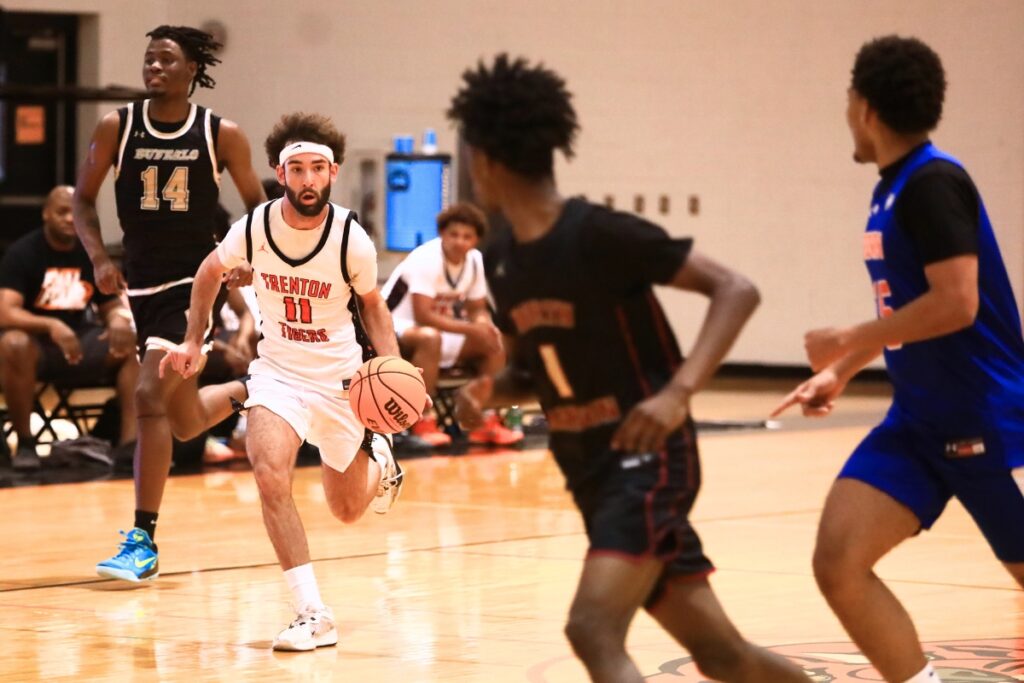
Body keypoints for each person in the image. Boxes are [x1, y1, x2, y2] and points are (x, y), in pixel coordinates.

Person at [449, 55, 807, 683]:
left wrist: (678, 393)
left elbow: (736, 289)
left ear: (484, 159)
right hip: (589, 469)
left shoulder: (600, 235)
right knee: (726, 658)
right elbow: (538, 376)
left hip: (649, 461)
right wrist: (488, 391)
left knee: (591, 627)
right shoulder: (502, 258)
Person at [772, 36, 1024, 683]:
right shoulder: (893, 189)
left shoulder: (933, 183)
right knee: (839, 559)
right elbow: (911, 310)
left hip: (981, 419)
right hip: (918, 420)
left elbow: (957, 302)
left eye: (848, 100)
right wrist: (843, 368)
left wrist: (845, 336)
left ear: (865, 108)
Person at [161, 112, 407, 652]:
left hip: (342, 382)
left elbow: (374, 308)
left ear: (333, 173)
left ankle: (381, 460)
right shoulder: (253, 228)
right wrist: (191, 339)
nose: (308, 178)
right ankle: (311, 611)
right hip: (278, 375)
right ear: (280, 172)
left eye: (318, 168)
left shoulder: (351, 238)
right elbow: (209, 272)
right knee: (270, 474)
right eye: (297, 168)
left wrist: (396, 370)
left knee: (345, 511)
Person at [73, 25, 265, 581]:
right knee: (181, 420)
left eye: (165, 60)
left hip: (193, 285)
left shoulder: (220, 134)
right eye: (148, 59)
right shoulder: (118, 126)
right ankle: (252, 391)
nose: (153, 68)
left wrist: (246, 259)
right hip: (139, 286)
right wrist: (99, 260)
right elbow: (83, 201)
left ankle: (143, 542)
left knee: (149, 396)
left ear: (191, 72)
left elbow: (258, 206)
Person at [0, 185, 138, 469]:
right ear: (46, 214)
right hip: (36, 348)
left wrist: (118, 320)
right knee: (13, 343)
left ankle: (129, 447)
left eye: (73, 212)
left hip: (80, 342)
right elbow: (6, 312)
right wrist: (50, 325)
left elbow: (110, 303)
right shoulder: (23, 253)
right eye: (62, 211)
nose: (68, 218)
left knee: (133, 346)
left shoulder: (90, 254)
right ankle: (26, 445)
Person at [381, 202, 521, 448]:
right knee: (429, 337)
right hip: (393, 326)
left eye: (467, 236)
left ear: (476, 240)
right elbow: (423, 314)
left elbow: (477, 308)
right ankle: (420, 421)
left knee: (494, 341)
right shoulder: (426, 257)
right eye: (453, 234)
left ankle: (485, 420)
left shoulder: (475, 261)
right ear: (442, 234)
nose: (459, 241)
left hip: (438, 329)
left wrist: (483, 325)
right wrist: (471, 328)